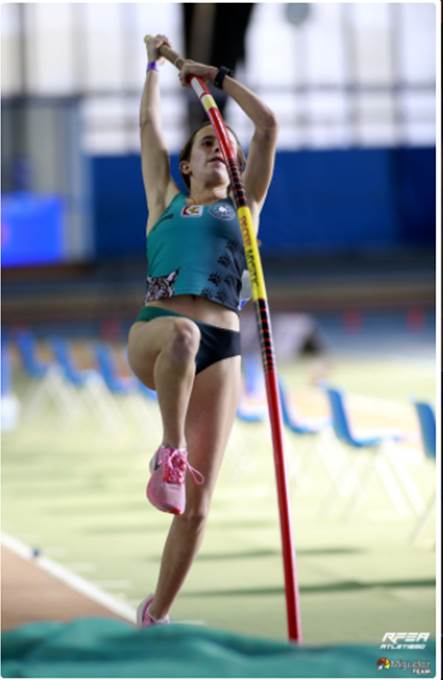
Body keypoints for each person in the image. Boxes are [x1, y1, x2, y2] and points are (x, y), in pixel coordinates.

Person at [127, 34, 277, 628]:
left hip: (224, 349)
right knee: (183, 337)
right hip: (159, 332)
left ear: (237, 166)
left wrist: (212, 75)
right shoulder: (163, 199)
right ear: (186, 163)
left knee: (198, 507)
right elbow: (146, 126)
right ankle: (170, 450)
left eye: (226, 146)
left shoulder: (245, 206)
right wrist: (155, 66)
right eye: (207, 142)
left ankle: (155, 614)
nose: (219, 147)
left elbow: (267, 124)